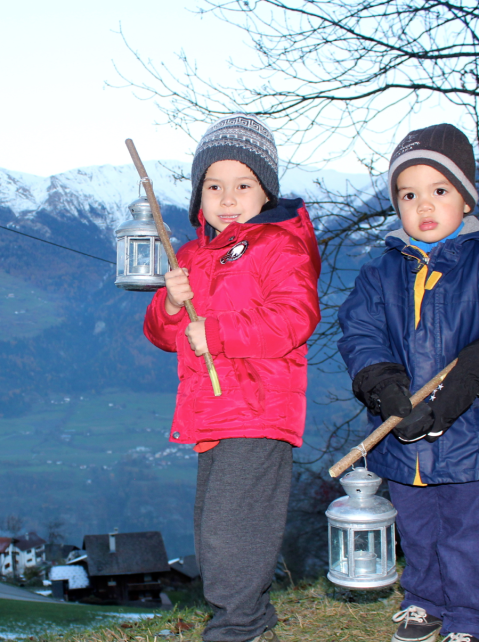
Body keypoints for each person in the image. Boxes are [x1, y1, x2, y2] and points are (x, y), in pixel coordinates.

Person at [337, 123, 479, 642]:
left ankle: (472, 622)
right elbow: (360, 332)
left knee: (464, 532)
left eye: (440, 191)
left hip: (473, 432)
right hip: (403, 429)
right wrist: (383, 383)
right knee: (416, 527)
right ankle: (425, 604)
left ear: (466, 198)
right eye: (408, 194)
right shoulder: (380, 272)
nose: (424, 205)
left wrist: (475, 373)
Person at [143, 114, 321, 642]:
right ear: (199, 194)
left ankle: (237, 628)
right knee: (213, 527)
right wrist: (172, 303)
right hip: (212, 413)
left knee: (231, 531)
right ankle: (251, 620)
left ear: (265, 191)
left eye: (242, 185)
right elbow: (160, 332)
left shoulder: (279, 246)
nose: (226, 197)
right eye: (214, 185)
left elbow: (294, 319)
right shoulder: (193, 255)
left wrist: (216, 333)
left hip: (260, 408)